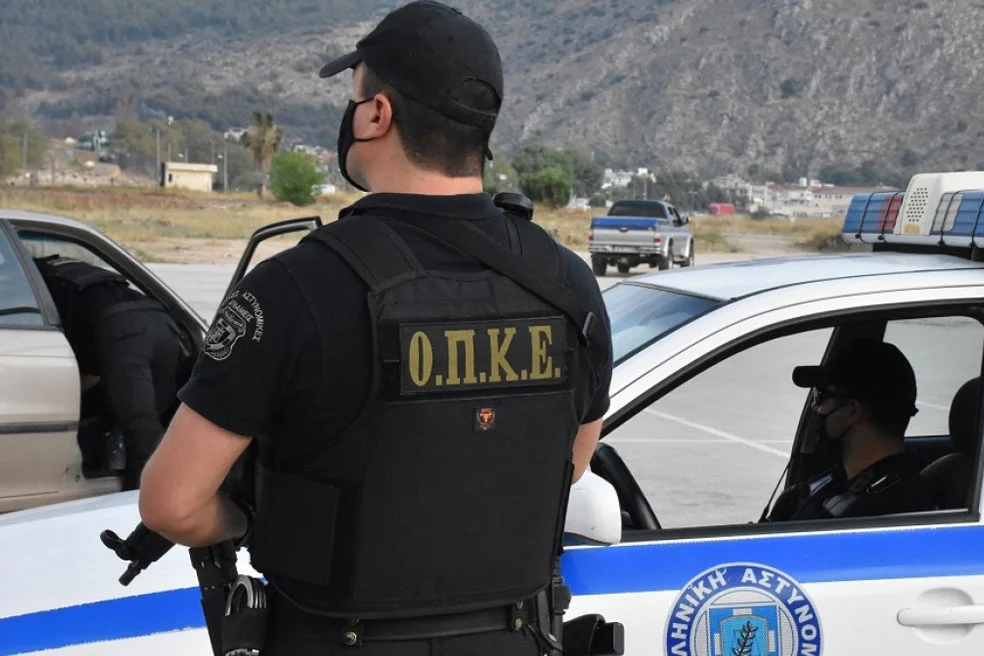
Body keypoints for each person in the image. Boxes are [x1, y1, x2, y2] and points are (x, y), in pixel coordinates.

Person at [136, 2, 614, 655]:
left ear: (377, 115)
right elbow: (572, 464)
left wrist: (261, 518)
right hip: (516, 637)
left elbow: (172, 504)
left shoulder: (292, 288)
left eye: (356, 97)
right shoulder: (567, 283)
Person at [32, 255, 184, 491]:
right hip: (163, 325)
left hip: (123, 332)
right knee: (156, 422)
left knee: (142, 436)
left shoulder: (32, 283)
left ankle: (144, 506)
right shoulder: (64, 267)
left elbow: (83, 374)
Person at [765, 338, 938, 522]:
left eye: (820, 396)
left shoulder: (883, 511)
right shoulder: (840, 483)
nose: (815, 407)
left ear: (853, 412)